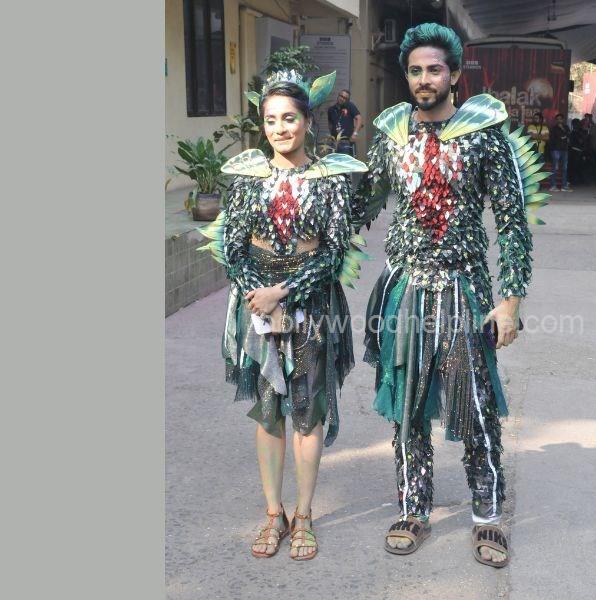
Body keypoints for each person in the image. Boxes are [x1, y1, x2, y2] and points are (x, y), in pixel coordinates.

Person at [353, 23, 546, 569]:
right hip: (405, 287)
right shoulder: (392, 137)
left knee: (476, 404)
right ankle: (413, 507)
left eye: (434, 69)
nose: (424, 79)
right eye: (415, 70)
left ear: (455, 74)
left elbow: (512, 223)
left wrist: (510, 301)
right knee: (407, 404)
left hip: (465, 289)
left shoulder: (485, 135)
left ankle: (487, 514)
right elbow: (363, 205)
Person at [200, 69, 367, 561]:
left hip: (310, 308)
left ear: (308, 121)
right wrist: (259, 295)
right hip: (257, 308)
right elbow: (233, 248)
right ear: (262, 124)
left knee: (308, 412)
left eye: (289, 118)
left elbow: (333, 253)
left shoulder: (330, 180)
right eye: (271, 119)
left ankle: (305, 514)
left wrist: (284, 291)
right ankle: (274, 513)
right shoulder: (246, 179)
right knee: (269, 412)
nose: (280, 128)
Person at [327, 89, 363, 156]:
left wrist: (355, 134)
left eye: (345, 98)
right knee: (332, 161)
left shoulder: (350, 106)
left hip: (346, 141)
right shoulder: (331, 109)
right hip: (334, 142)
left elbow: (359, 118)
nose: (342, 99)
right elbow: (330, 124)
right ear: (338, 96)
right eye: (341, 96)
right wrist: (331, 135)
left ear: (347, 100)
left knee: (344, 162)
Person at [549, 113, 572, 192]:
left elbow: (568, 135)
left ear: (563, 120)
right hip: (556, 149)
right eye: (557, 119)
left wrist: (563, 131)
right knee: (555, 168)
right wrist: (562, 136)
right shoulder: (554, 128)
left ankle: (564, 186)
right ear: (556, 120)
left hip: (564, 149)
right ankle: (553, 186)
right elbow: (555, 138)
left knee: (565, 168)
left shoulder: (566, 127)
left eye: (560, 119)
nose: (559, 120)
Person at [568, 117, 589, 185]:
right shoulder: (574, 133)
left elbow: (583, 142)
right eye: (575, 124)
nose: (576, 125)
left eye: (576, 124)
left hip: (578, 152)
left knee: (578, 167)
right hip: (575, 152)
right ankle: (575, 180)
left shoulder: (579, 132)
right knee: (575, 167)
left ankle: (577, 180)